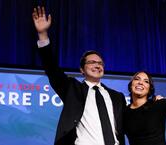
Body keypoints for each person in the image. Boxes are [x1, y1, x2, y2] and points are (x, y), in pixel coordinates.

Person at [32, 6, 126, 145]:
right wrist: (43, 34)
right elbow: (51, 68)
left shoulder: (117, 97)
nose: (97, 65)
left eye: (100, 63)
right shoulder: (72, 89)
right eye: (92, 62)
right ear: (82, 69)